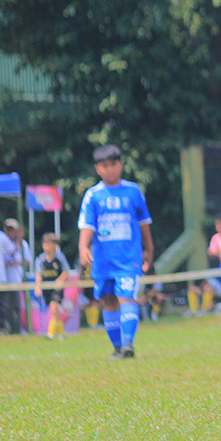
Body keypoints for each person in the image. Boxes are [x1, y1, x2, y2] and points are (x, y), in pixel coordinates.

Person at [78, 144, 154, 359]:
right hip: (103, 259)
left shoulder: (133, 191)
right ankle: (118, 347)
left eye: (113, 164)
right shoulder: (93, 195)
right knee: (109, 300)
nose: (110, 169)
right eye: (105, 166)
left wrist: (149, 248)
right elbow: (87, 225)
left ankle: (129, 343)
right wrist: (83, 247)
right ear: (98, 168)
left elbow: (144, 222)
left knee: (126, 296)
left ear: (121, 165)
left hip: (128, 258)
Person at [34, 233, 71, 339]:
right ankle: (62, 333)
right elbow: (39, 275)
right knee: (53, 310)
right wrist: (38, 287)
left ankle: (50, 333)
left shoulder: (60, 257)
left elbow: (66, 271)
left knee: (54, 307)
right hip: (47, 288)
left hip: (57, 288)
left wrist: (59, 281)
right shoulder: (40, 259)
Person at [0, 210, 17, 336]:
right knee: (1, 305)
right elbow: (11, 250)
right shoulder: (0, 235)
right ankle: (2, 328)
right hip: (0, 276)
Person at [3, 218, 30, 334]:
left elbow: (28, 261)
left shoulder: (23, 245)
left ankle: (18, 328)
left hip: (17, 280)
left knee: (17, 306)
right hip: (4, 280)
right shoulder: (2, 242)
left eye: (13, 230)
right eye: (9, 230)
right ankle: (8, 329)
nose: (11, 233)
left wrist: (16, 262)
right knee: (6, 307)